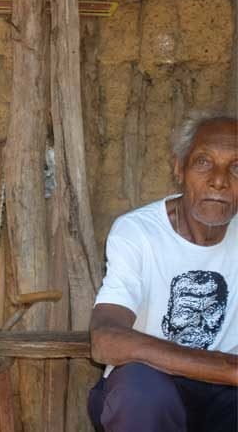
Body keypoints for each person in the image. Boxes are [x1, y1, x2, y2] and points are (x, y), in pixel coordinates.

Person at [88, 112, 238, 432]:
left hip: (226, 398)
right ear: (178, 168)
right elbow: (105, 339)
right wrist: (226, 367)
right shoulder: (138, 232)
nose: (219, 180)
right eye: (203, 162)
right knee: (140, 393)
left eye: (237, 167)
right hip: (152, 389)